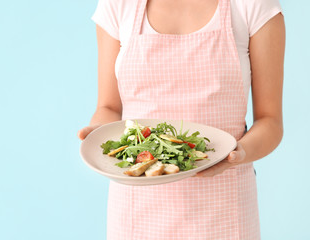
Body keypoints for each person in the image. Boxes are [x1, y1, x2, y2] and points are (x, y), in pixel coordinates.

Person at [78, 0, 285, 239]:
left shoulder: (253, 5)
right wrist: (99, 133)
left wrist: (238, 154)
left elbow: (270, 121)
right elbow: (108, 107)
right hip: (136, 212)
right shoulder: (118, 4)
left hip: (223, 210)